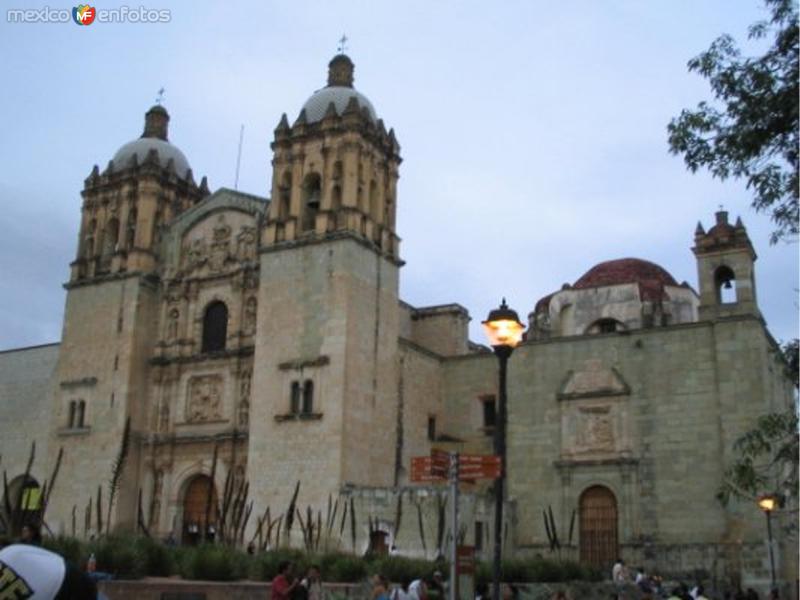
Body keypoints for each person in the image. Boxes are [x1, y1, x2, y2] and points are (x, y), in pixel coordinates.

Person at [0, 543, 98, 599]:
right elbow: (54, 556)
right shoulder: (9, 552)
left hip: (61, 585)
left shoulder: (10, 553)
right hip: (66, 573)